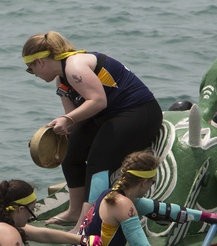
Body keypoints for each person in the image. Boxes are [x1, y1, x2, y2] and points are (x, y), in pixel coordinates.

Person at [22, 31, 163, 227]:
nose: (34, 74)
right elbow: (74, 118)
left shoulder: (75, 67)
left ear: (40, 62)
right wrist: (52, 135)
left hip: (138, 112)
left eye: (31, 69)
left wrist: (67, 118)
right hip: (107, 116)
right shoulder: (61, 78)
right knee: (70, 155)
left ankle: (85, 224)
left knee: (98, 162)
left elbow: (98, 101)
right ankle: (74, 211)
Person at [54, 151, 217, 246]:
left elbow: (162, 210)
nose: (152, 186)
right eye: (153, 182)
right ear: (144, 183)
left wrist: (205, 216)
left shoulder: (111, 194)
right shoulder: (123, 205)